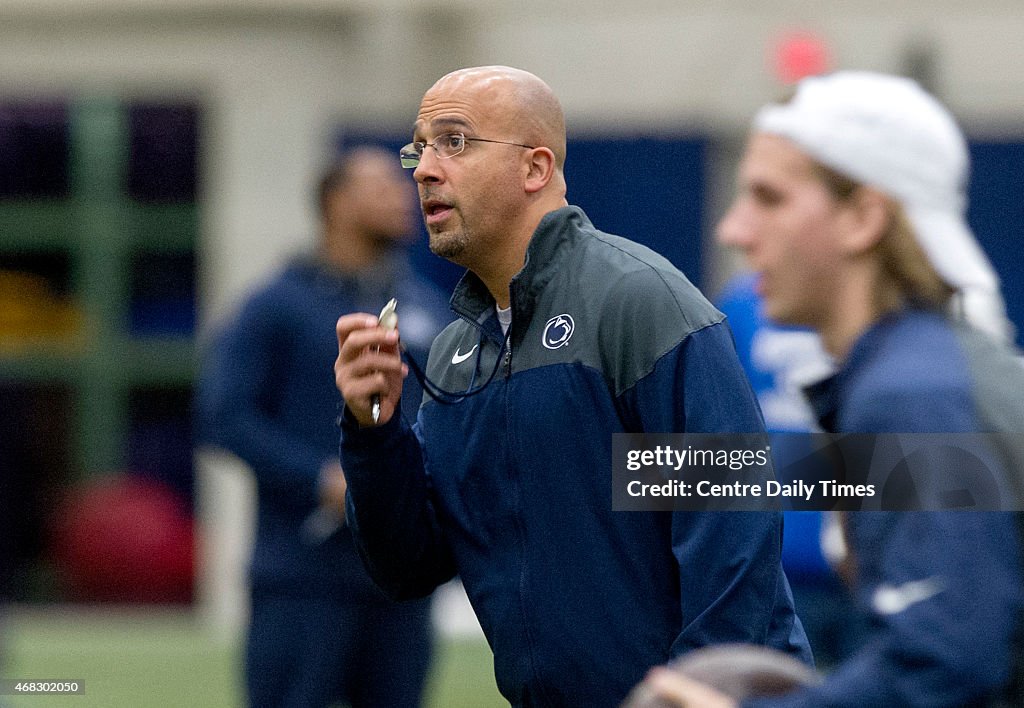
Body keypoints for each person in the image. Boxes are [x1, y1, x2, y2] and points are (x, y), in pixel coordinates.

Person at [333, 65, 811, 708]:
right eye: (420, 148)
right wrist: (373, 433)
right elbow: (408, 566)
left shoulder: (638, 301)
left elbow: (730, 532)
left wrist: (694, 695)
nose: (422, 169)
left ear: (535, 169)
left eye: (455, 142)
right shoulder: (455, 354)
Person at [638, 71, 1024, 707]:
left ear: (863, 217)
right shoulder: (929, 368)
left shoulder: (914, 393)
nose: (733, 230)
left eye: (769, 197)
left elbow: (943, 671)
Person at [196, 147, 450, 708]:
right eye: (381, 185)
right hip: (301, 574)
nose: (402, 196)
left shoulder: (425, 306)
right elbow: (223, 417)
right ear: (335, 202)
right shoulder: (274, 306)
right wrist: (321, 479)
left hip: (399, 576)